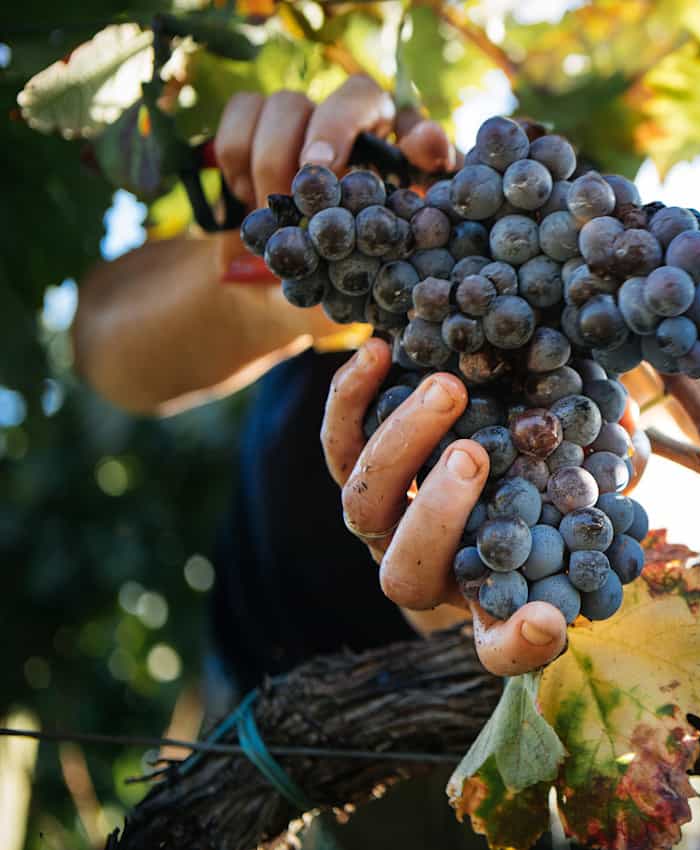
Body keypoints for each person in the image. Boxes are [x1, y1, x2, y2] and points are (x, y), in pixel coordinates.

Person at [74, 74, 568, 848]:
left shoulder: (593, 292)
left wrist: (513, 572)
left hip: (487, 770)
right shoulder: (367, 303)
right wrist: (310, 251)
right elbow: (104, 344)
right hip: (252, 726)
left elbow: (672, 473)